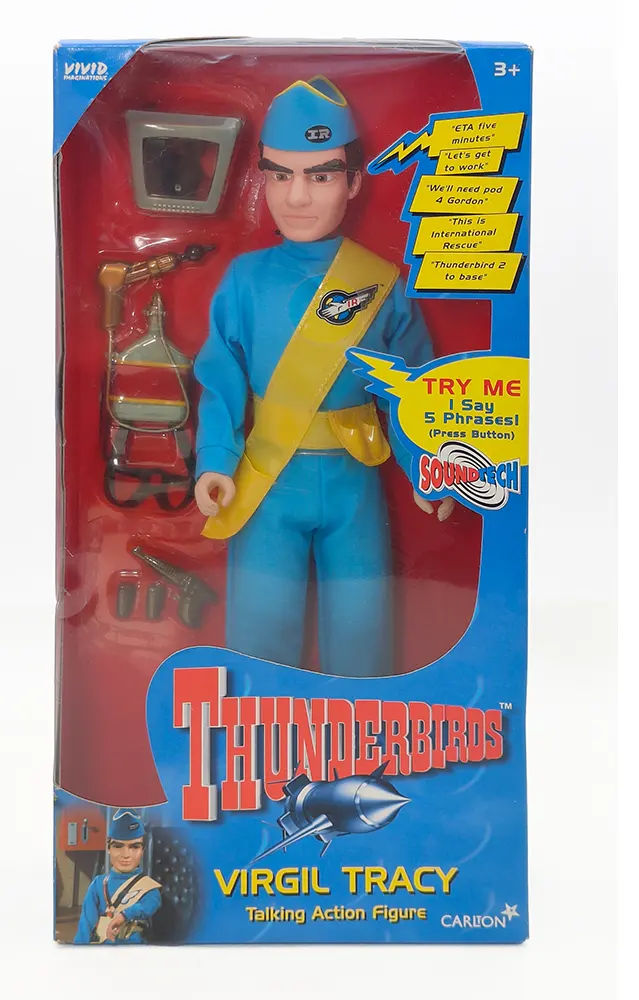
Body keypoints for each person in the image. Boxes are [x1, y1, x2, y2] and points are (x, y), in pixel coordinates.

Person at [194, 76, 454, 677]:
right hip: (266, 480)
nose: (297, 197)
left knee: (363, 631)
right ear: (261, 178)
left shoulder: (381, 283)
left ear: (354, 182)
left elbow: (414, 388)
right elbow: (220, 376)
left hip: (353, 481)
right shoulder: (244, 279)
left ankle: (360, 732)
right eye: (280, 175)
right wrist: (215, 458)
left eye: (321, 176)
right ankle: (256, 735)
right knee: (259, 633)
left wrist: (429, 464)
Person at [73, 809, 162, 944]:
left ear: (142, 850)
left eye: (134, 847)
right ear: (109, 848)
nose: (126, 855)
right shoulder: (98, 883)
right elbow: (85, 926)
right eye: (118, 846)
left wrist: (124, 915)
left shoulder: (149, 888)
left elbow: (149, 905)